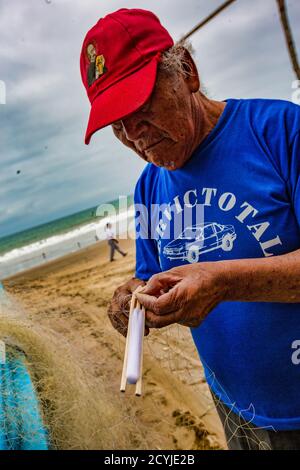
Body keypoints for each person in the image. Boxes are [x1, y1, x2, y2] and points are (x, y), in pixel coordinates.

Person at [80, 8, 300, 450]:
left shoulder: (279, 131)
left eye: (140, 108)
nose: (134, 135)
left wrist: (220, 282)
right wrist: (133, 301)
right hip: (235, 405)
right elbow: (149, 274)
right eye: (116, 124)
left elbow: (214, 280)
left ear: (187, 72)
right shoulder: (147, 189)